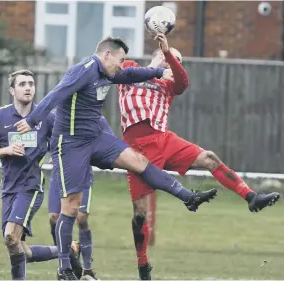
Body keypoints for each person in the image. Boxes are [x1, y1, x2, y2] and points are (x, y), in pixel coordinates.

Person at [14, 36, 218, 280]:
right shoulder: (84, 71)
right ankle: (64, 269)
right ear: (107, 55)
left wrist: (158, 72)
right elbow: (55, 95)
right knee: (70, 208)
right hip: (71, 143)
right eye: (120, 60)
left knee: (139, 162)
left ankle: (188, 197)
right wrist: (31, 120)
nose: (122, 65)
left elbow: (131, 75)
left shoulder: (109, 72)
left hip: (97, 137)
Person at [117, 33, 281, 280]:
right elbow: (120, 73)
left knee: (210, 158)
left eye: (178, 61)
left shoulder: (170, 85)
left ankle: (251, 197)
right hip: (136, 150)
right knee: (140, 214)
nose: (175, 65)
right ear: (155, 56)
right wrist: (158, 62)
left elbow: (183, 82)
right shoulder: (132, 70)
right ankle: (143, 265)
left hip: (163, 140)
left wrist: (170, 55)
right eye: (170, 59)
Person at [0, 69, 82, 280]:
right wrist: (6, 150)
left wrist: (59, 156)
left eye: (31, 84)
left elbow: (63, 143)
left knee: (11, 236)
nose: (28, 88)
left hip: (31, 186)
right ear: (12, 90)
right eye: (22, 84)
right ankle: (69, 251)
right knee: (17, 246)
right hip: (8, 188)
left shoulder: (46, 118)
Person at [48, 115, 114, 280]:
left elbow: (110, 143)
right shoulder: (56, 117)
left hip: (82, 175)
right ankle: (67, 264)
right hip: (60, 174)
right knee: (54, 218)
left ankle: (87, 269)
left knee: (81, 218)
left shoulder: (96, 118)